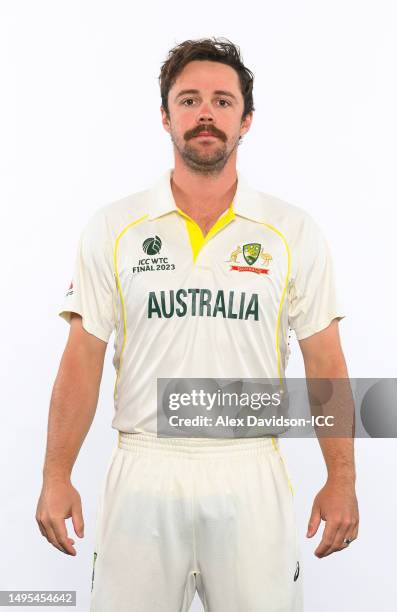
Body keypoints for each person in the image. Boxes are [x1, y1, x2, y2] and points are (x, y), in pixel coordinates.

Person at [35, 37, 359, 612]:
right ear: (165, 116)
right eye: (188, 100)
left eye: (222, 100)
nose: (205, 113)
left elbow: (326, 363)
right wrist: (55, 474)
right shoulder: (115, 227)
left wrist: (343, 479)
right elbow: (81, 360)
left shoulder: (292, 230)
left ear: (246, 119)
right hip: (143, 467)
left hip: (248, 469)